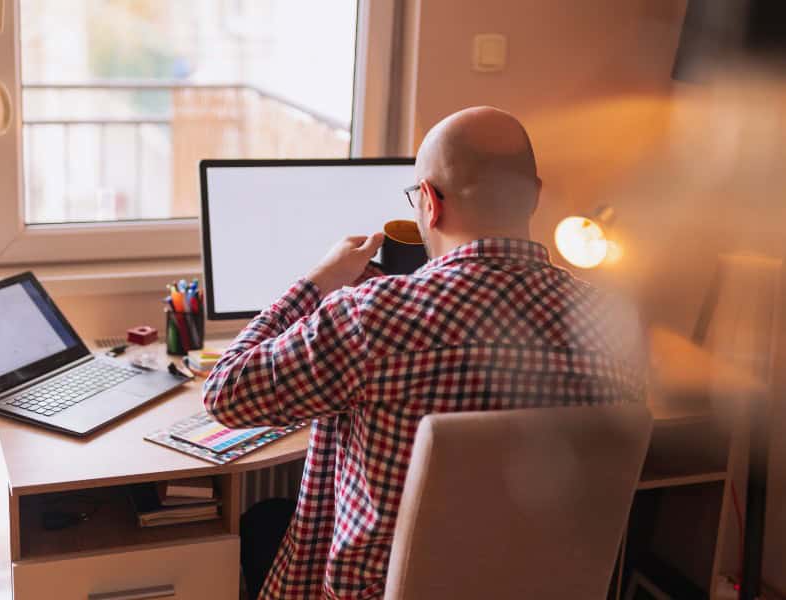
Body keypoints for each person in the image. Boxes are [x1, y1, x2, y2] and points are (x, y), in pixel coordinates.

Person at [203, 106, 646, 599]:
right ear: (534, 197)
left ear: (430, 203)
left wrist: (318, 282)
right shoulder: (613, 322)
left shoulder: (373, 316)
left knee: (263, 524)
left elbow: (226, 392)